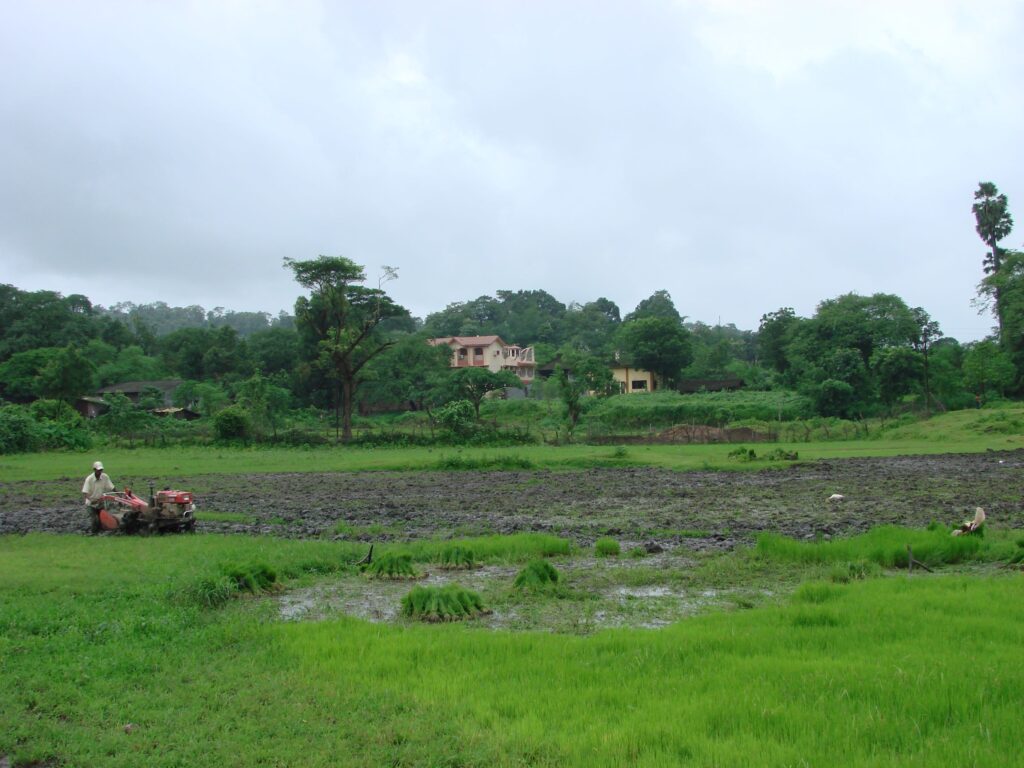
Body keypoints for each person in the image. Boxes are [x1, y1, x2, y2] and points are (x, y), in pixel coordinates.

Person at [82, 460, 115, 534]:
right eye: (98, 470)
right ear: (94, 470)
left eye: (101, 470)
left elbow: (112, 487)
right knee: (95, 520)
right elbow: (85, 492)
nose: (100, 472)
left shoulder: (105, 477)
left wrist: (120, 495)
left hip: (100, 501)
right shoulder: (89, 479)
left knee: (103, 518)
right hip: (91, 503)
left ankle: (102, 532)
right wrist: (90, 500)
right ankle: (93, 533)